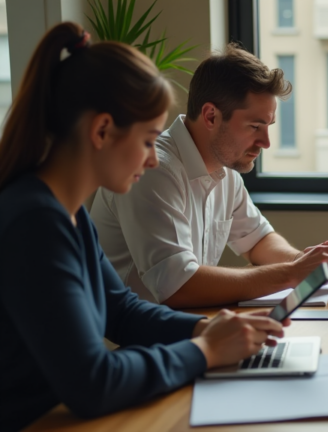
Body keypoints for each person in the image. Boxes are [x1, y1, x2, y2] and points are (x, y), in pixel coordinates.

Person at [0, 23, 289, 432]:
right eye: (149, 139)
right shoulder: (35, 222)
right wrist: (205, 350)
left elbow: (121, 310)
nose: (153, 159)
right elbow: (93, 381)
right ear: (101, 131)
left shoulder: (69, 214)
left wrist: (207, 328)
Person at [90, 44, 328, 308]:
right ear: (211, 116)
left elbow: (258, 240)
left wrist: (301, 262)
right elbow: (177, 287)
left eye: (268, 126)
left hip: (188, 330)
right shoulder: (153, 170)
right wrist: (291, 274)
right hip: (133, 343)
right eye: (254, 126)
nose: (266, 142)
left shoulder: (226, 172)